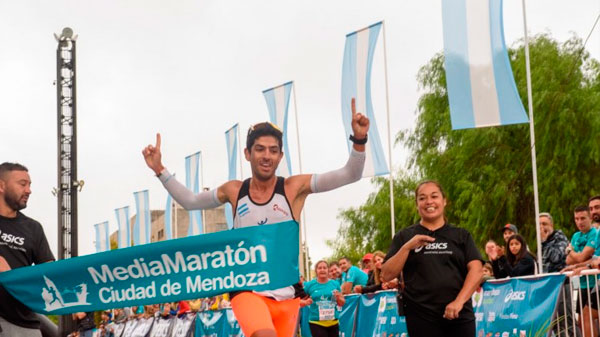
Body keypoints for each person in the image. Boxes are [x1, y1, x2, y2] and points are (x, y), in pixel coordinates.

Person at [142, 99, 369, 337]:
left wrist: (360, 140)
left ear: (281, 156)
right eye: (260, 149)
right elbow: (189, 201)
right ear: (247, 154)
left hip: (286, 297)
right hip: (247, 291)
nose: (266, 156)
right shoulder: (234, 191)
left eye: (273, 150)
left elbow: (350, 174)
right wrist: (160, 170)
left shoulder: (293, 188)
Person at [381, 180, 483, 337]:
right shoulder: (404, 237)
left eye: (434, 196)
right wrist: (407, 247)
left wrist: (459, 302)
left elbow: (477, 271)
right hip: (421, 319)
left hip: (458, 315)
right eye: (422, 198)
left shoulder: (461, 235)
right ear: (417, 204)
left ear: (444, 201)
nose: (429, 202)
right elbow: (386, 275)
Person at [0, 163, 55, 337]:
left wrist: (13, 277)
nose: (29, 190)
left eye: (30, 185)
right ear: (1, 186)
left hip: (23, 324)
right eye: (22, 184)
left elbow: (49, 274)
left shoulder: (33, 228)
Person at [301, 260, 345, 337]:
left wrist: (338, 297)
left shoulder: (335, 284)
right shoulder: (310, 285)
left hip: (333, 322)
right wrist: (305, 302)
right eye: (319, 268)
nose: (322, 270)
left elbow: (341, 303)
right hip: (316, 323)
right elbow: (299, 299)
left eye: (324, 268)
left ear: (328, 270)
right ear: (316, 271)